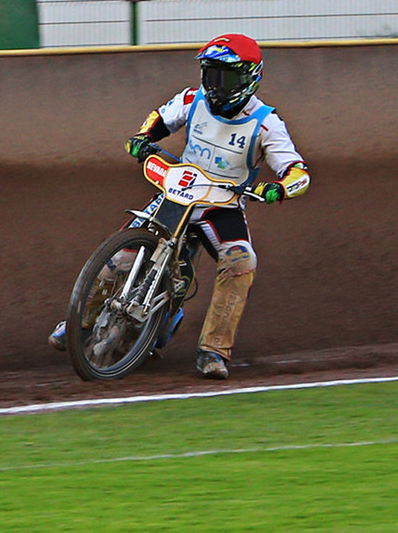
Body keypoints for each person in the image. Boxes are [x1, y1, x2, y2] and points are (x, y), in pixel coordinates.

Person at [48, 34, 309, 380]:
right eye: (210, 74)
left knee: (241, 262)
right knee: (120, 256)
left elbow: (297, 172)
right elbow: (160, 118)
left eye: (225, 77)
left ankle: (214, 350)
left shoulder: (266, 122)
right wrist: (143, 138)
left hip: (222, 204)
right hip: (179, 190)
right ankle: (78, 324)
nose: (215, 85)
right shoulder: (192, 98)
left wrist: (279, 188)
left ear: (250, 77)